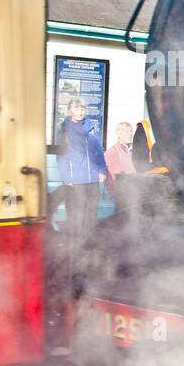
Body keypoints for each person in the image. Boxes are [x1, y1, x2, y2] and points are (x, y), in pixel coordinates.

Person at [55, 96, 107, 257]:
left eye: (82, 109)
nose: (80, 112)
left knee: (91, 214)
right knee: (76, 216)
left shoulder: (91, 128)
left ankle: (87, 248)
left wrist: (102, 170)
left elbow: (98, 151)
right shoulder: (63, 130)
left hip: (92, 178)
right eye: (77, 109)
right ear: (70, 111)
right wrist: (66, 179)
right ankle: (74, 250)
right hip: (75, 180)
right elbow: (61, 157)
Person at [104, 121, 136, 201]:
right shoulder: (112, 152)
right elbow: (113, 178)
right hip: (119, 195)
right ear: (118, 133)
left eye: (131, 131)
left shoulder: (133, 151)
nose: (130, 134)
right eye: (126, 131)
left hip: (133, 192)